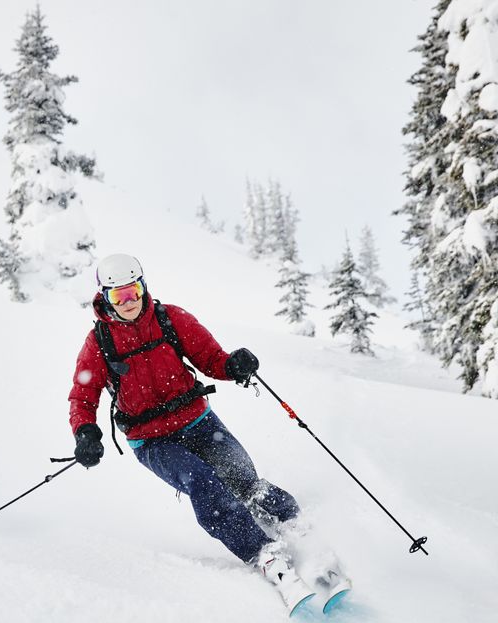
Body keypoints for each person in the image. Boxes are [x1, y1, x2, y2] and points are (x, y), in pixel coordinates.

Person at [67, 253, 326, 604]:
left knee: (242, 477)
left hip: (198, 421)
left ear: (143, 288)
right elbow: (83, 395)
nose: (128, 302)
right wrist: (85, 432)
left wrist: (234, 364)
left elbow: (211, 359)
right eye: (118, 296)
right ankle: (264, 554)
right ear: (105, 298)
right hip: (152, 441)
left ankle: (297, 525)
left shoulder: (170, 318)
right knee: (202, 481)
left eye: (133, 292)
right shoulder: (99, 343)